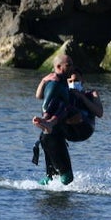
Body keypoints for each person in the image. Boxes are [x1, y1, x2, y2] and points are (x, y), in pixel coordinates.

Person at [32, 54, 75, 185]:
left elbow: (39, 96)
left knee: (51, 178)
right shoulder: (55, 82)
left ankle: (37, 191)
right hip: (52, 136)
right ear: (58, 66)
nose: (72, 67)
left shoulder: (62, 82)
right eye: (69, 65)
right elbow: (46, 105)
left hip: (51, 135)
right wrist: (46, 119)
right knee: (67, 178)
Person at [61, 71, 103, 143]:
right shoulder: (65, 94)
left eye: (76, 81)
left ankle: (69, 121)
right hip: (69, 129)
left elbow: (99, 113)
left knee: (76, 113)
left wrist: (82, 97)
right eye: (70, 81)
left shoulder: (92, 94)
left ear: (82, 80)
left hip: (86, 126)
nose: (73, 83)